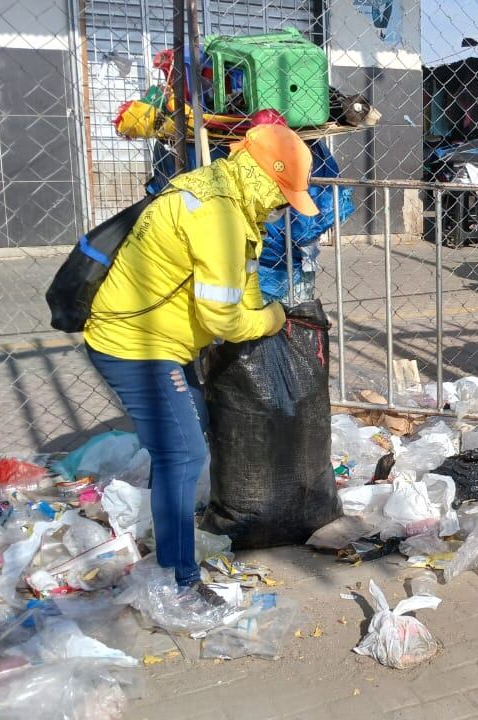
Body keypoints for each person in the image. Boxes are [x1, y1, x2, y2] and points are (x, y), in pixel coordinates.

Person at [83, 123, 317, 605]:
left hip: (162, 341)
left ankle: (169, 543)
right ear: (264, 178)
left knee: (186, 437)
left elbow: (244, 282)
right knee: (183, 453)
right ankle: (178, 578)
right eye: (281, 196)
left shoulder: (230, 200)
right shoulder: (220, 217)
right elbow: (225, 317)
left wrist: (261, 309)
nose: (280, 209)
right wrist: (271, 320)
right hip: (137, 345)